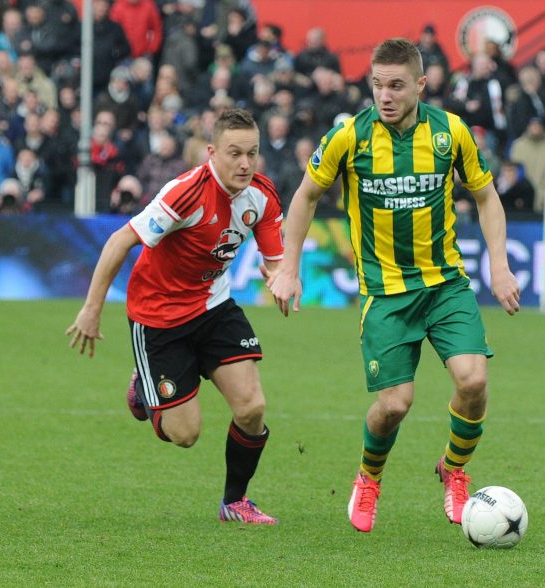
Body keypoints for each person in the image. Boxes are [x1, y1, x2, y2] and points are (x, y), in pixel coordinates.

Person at [263, 38, 519, 533]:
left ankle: (455, 470)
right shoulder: (350, 137)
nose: (385, 95)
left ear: (421, 85)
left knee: (474, 380)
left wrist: (500, 264)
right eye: (377, 84)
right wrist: (289, 266)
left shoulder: (450, 133)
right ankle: (369, 477)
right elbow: (305, 196)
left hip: (445, 284)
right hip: (385, 293)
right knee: (394, 405)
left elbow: (486, 197)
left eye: (397, 85)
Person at [66, 109, 283, 525]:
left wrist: (282, 276)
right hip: (159, 318)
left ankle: (235, 502)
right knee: (185, 435)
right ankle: (142, 390)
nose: (244, 163)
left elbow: (275, 258)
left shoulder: (263, 194)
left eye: (252, 153)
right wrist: (92, 309)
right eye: (234, 153)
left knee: (253, 407)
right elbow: (118, 241)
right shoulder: (185, 192)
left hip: (214, 307)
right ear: (212, 152)